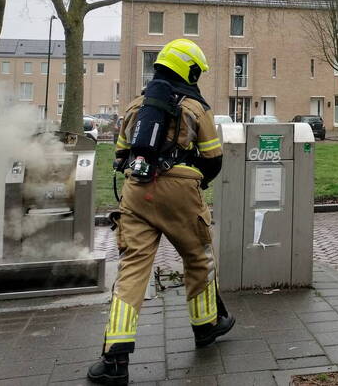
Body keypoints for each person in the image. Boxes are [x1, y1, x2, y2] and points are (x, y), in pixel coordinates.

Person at [88, 39, 232, 385]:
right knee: (198, 258)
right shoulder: (196, 108)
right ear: (188, 69)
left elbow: (121, 154)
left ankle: (115, 360)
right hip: (180, 192)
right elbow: (213, 159)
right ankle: (206, 327)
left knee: (133, 268)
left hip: (137, 193)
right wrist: (193, 178)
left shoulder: (138, 105)